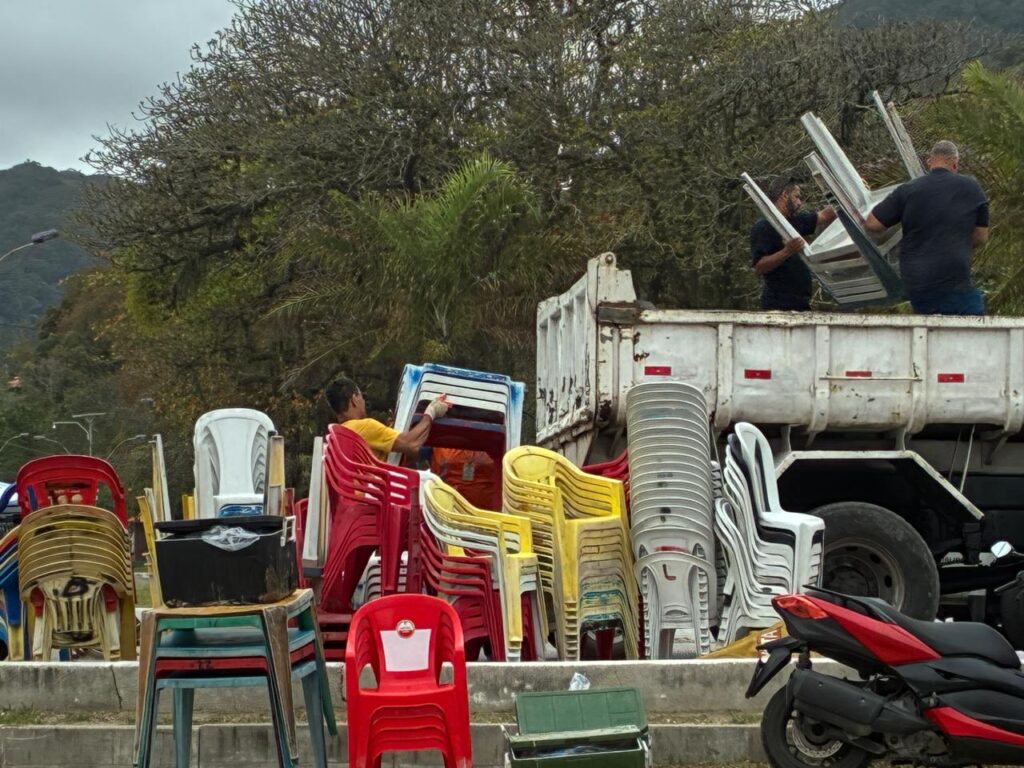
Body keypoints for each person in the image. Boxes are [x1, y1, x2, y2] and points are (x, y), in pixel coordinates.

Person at [864, 140, 988, 316]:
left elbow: (873, 224)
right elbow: (981, 237)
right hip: (954, 275)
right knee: (971, 326)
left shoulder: (908, 190)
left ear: (930, 162)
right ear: (955, 162)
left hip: (918, 279)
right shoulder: (971, 187)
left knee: (927, 326)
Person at [750, 176, 836, 311]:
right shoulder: (764, 226)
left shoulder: (795, 221)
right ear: (784, 195)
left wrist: (844, 199)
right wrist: (787, 251)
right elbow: (759, 267)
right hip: (778, 306)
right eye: (796, 197)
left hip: (801, 303)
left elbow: (824, 215)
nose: (799, 202)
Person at [325, 376, 449, 460]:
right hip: (370, 496)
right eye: (361, 396)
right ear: (354, 400)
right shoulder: (365, 427)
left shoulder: (339, 433)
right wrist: (430, 413)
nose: (363, 401)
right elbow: (411, 444)